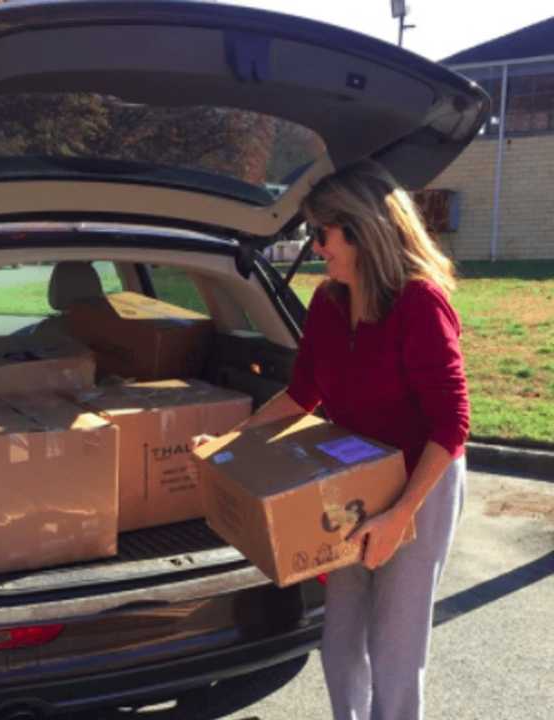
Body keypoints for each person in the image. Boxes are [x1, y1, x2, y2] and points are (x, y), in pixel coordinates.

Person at [205, 159, 470, 720]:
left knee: (395, 648)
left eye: (319, 233)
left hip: (424, 478)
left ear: (360, 228)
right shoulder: (329, 303)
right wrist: (227, 444)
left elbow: (451, 425)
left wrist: (401, 514)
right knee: (341, 637)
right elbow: (301, 397)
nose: (315, 246)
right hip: (355, 477)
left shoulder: (420, 303)